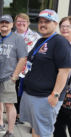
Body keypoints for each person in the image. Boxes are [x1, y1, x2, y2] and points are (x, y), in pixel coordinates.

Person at [20, 9, 71, 137]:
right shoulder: (41, 40)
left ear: (55, 23)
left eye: (47, 21)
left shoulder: (60, 43)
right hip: (32, 93)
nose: (43, 24)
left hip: (45, 97)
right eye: (40, 21)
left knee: (44, 132)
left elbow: (64, 72)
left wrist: (55, 95)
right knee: (35, 128)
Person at [0, 15, 27, 137]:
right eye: (2, 22)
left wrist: (14, 77)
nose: (4, 24)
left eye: (7, 22)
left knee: (9, 104)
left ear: (12, 24)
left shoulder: (18, 39)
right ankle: (0, 124)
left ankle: (10, 131)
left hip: (8, 77)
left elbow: (22, 58)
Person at [14, 13, 41, 124]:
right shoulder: (11, 35)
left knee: (28, 94)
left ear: (28, 23)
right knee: (14, 93)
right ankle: (17, 115)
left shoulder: (35, 36)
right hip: (13, 70)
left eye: (24, 21)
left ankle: (32, 121)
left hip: (29, 70)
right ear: (15, 23)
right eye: (19, 21)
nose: (21, 23)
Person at [53, 16, 71, 137]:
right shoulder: (58, 43)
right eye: (62, 26)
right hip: (58, 91)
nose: (64, 28)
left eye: (68, 26)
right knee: (57, 125)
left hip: (69, 92)